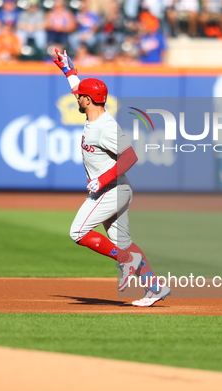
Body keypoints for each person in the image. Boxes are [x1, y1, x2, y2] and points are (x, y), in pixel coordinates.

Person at [52, 48, 171, 307]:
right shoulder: (93, 114)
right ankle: (154, 286)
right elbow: (83, 90)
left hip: (111, 189)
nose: (77, 99)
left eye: (80, 97)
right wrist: (69, 72)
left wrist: (102, 179)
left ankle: (127, 261)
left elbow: (130, 157)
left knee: (78, 232)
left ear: (88, 100)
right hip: (114, 188)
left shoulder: (105, 127)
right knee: (122, 242)